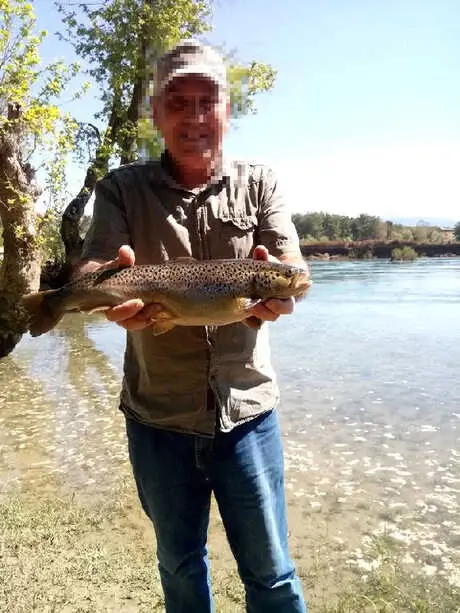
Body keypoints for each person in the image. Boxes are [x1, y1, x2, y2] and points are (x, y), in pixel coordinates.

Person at [77, 39, 309, 613]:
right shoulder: (120, 189)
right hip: (158, 420)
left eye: (208, 102)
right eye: (178, 102)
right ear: (156, 113)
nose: (195, 117)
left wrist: (281, 293)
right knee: (180, 565)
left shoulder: (262, 183)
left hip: (248, 415)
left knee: (273, 575)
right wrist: (104, 288)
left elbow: (290, 268)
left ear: (228, 111)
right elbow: (89, 265)